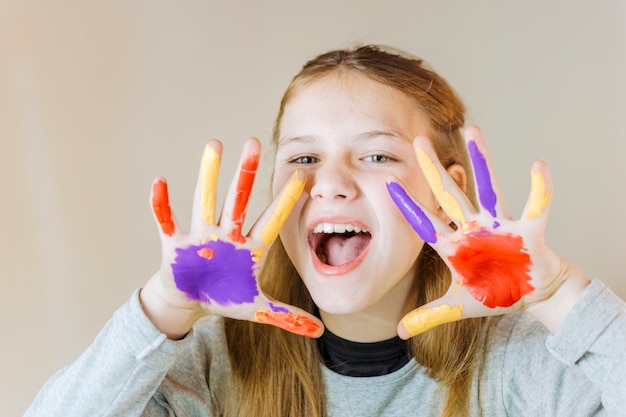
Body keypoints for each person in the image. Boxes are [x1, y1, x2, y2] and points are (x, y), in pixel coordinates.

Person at [24, 45, 625, 417]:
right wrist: (161, 308)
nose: (328, 184)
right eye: (304, 159)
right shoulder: (208, 368)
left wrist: (560, 298)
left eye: (376, 156)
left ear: (449, 191)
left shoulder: (528, 361)